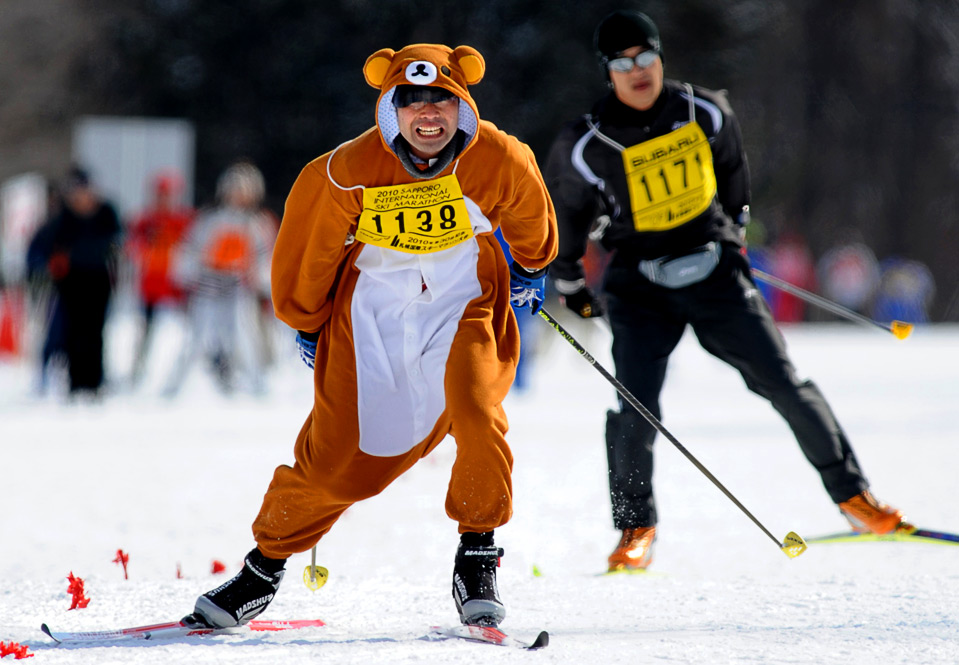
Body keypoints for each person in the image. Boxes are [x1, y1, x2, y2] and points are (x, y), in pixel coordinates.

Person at [186, 43, 556, 629]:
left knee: (477, 408)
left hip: (463, 305)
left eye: (442, 100)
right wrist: (306, 319)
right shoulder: (345, 170)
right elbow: (309, 250)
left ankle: (478, 551)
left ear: (462, 106)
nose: (427, 115)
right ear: (391, 108)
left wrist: (533, 267)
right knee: (340, 465)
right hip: (374, 317)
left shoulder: (498, 156)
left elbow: (531, 209)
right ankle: (263, 568)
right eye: (412, 102)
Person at [544, 10, 911, 573]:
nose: (638, 71)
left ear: (660, 57)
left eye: (646, 57)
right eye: (623, 63)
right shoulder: (585, 140)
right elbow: (567, 215)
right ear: (608, 71)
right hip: (639, 284)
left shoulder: (704, 109)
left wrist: (735, 227)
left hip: (715, 271)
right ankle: (635, 529)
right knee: (635, 408)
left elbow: (734, 168)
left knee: (785, 384)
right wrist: (569, 280)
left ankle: (854, 498)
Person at [164, 161, 275, 396]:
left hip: (238, 290)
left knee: (246, 339)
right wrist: (186, 276)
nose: (239, 195)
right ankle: (173, 389)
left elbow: (265, 257)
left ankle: (258, 388)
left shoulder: (257, 224)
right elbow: (189, 249)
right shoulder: (209, 220)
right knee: (195, 341)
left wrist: (262, 281)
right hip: (208, 290)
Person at [41, 167, 121, 397]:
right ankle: (75, 382)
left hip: (98, 278)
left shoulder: (105, 212)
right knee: (73, 331)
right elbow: (48, 244)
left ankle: (94, 381)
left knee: (95, 330)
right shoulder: (64, 216)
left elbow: (116, 240)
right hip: (72, 280)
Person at [125, 170, 194, 385]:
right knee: (146, 330)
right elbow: (133, 246)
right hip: (152, 284)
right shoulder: (145, 220)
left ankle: (192, 371)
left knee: (194, 329)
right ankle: (138, 370)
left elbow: (193, 246)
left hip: (177, 283)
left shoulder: (183, 219)